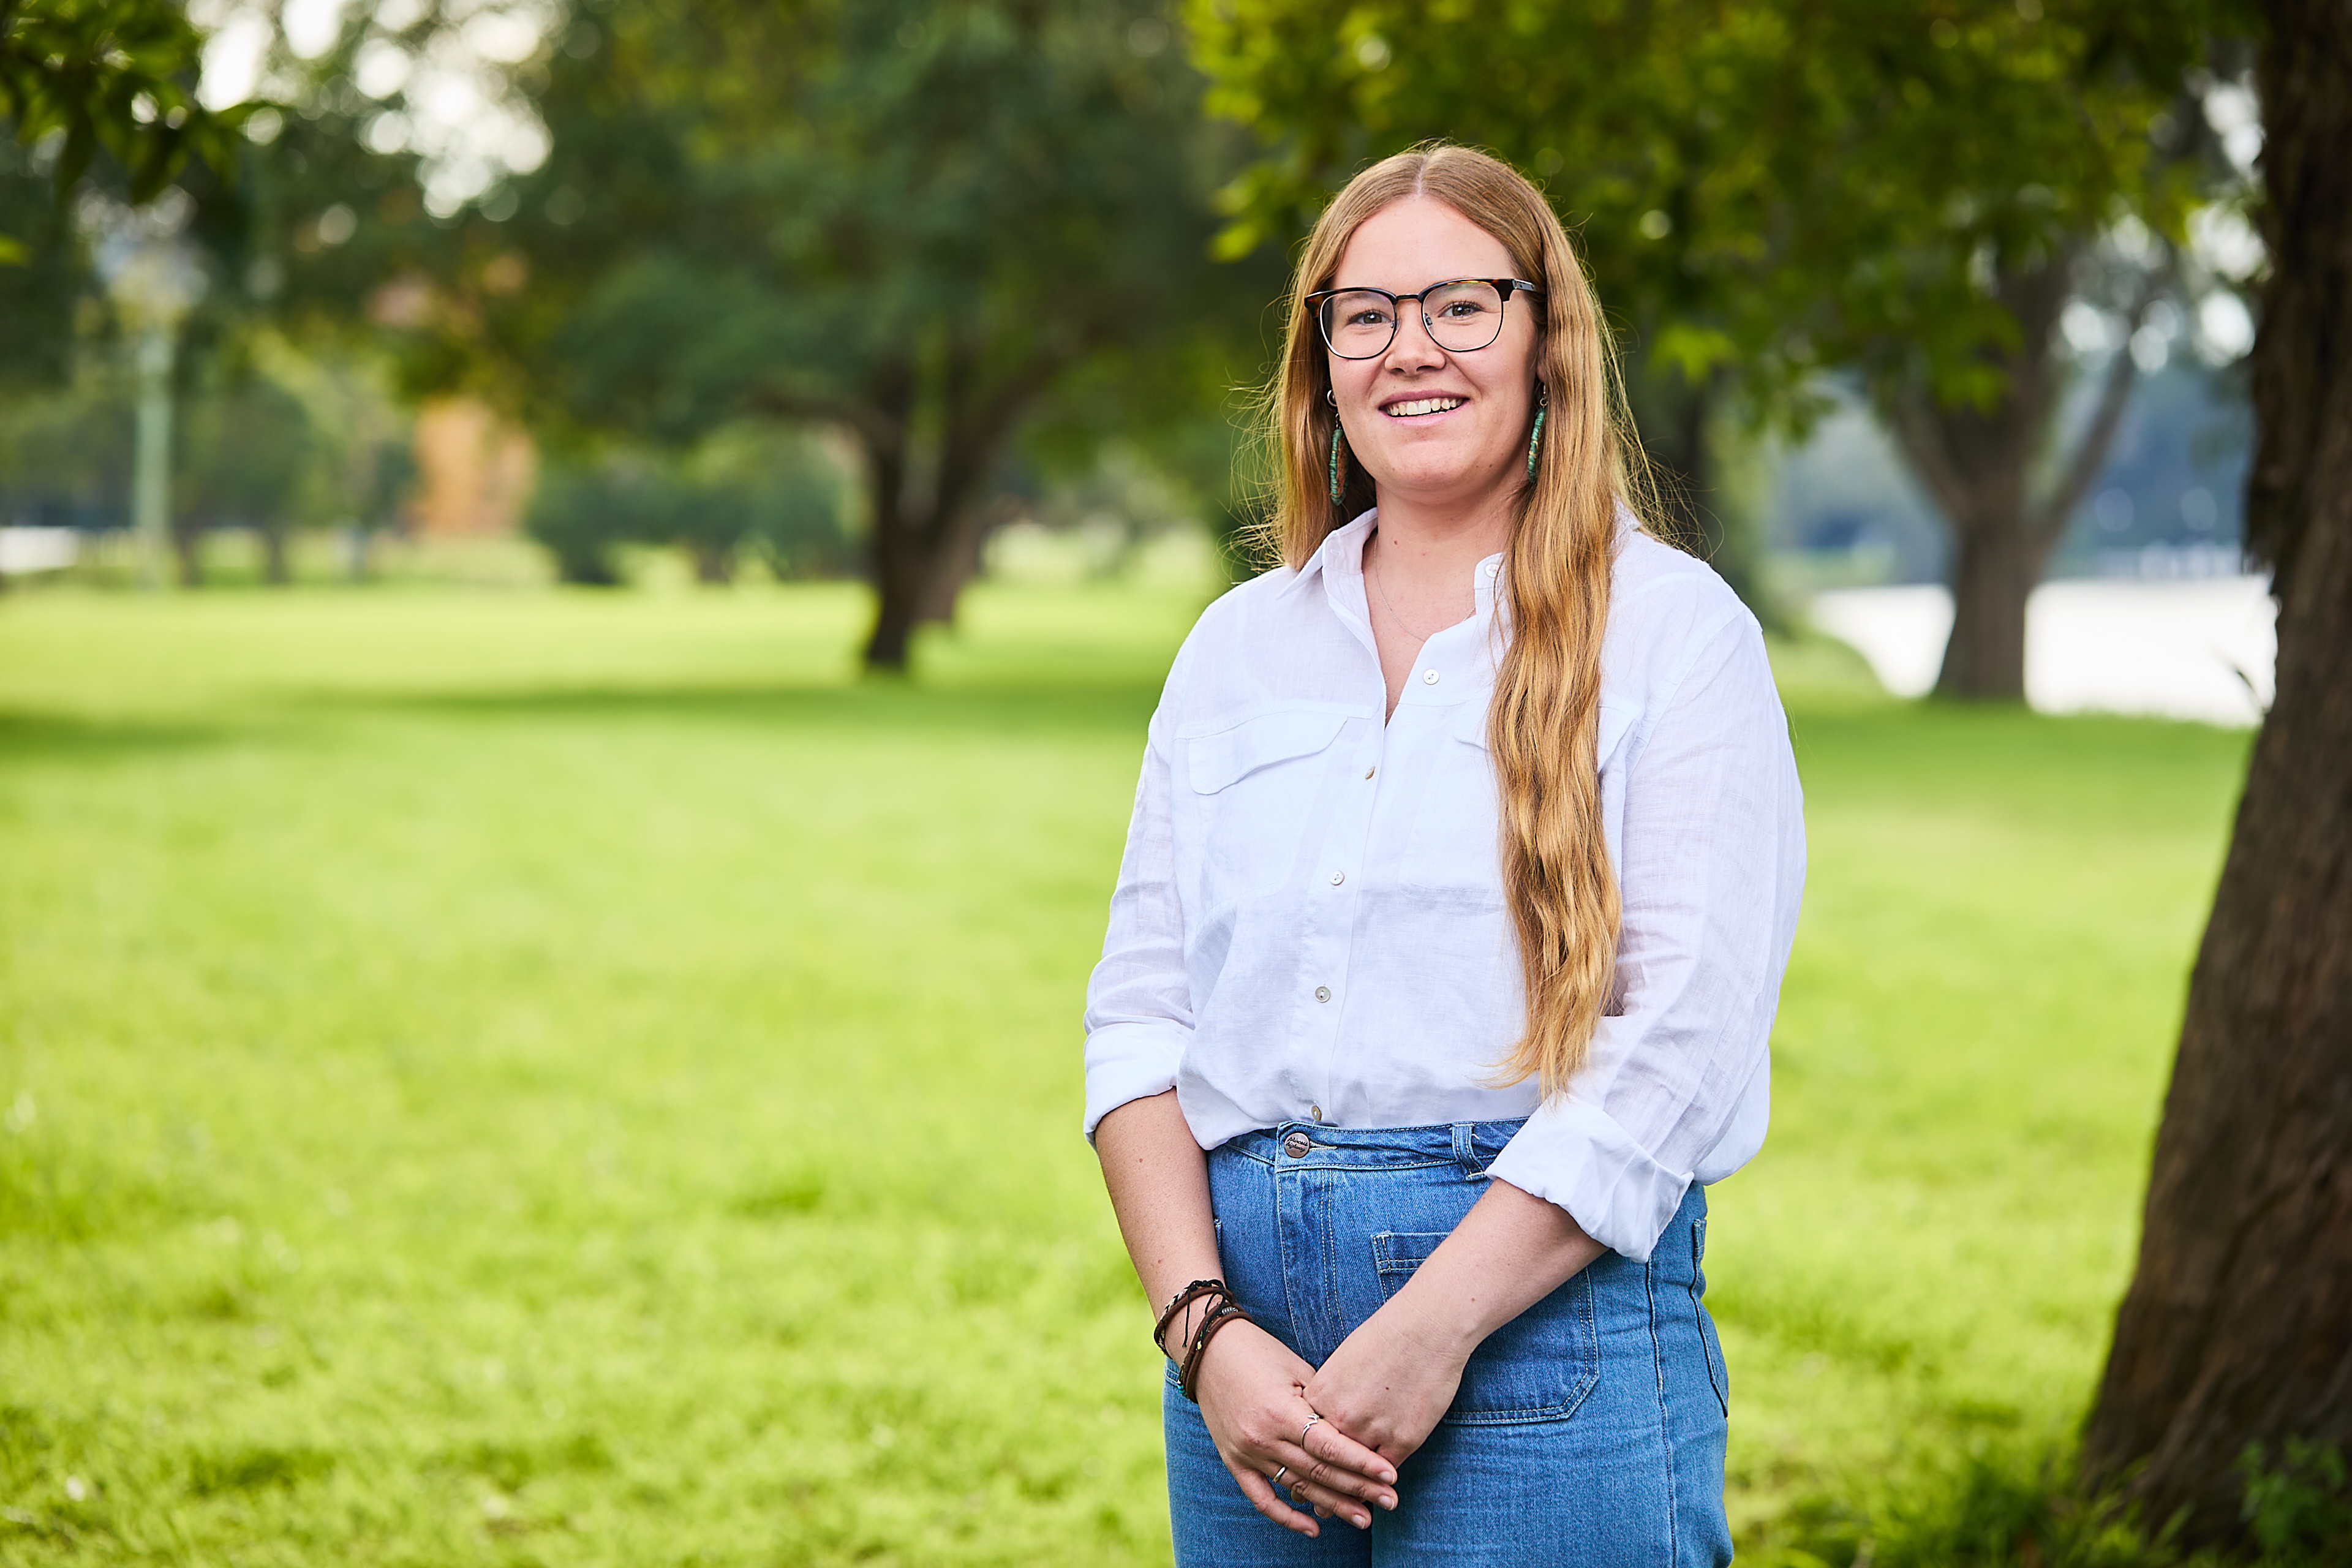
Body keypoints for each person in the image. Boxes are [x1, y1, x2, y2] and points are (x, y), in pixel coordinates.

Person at [1083, 143, 1805, 1567]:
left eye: (1461, 306)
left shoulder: (1674, 635)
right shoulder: (1236, 652)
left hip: (1545, 1335)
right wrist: (1203, 1331)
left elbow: (1680, 1043)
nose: (1411, 349)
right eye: (1366, 313)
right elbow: (1138, 1021)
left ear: (1546, 340)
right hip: (1246, 1357)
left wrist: (1430, 1325)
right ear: (1323, 359)